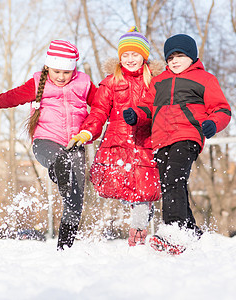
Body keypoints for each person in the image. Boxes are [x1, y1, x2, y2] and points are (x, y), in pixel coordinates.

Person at [0, 40, 97, 250]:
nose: (61, 77)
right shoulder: (37, 83)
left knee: (75, 202)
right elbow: (13, 96)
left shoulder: (84, 83)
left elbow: (101, 106)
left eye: (66, 72)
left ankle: (64, 249)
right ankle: (58, 170)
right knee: (60, 160)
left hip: (75, 144)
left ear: (74, 70)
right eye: (57, 71)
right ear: (47, 67)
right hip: (46, 141)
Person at [123, 34, 231, 254]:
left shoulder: (205, 79)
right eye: (170, 57)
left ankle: (173, 230)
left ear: (192, 57)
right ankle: (192, 231)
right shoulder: (159, 81)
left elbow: (222, 109)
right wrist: (136, 114)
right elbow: (147, 107)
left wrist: (212, 123)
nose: (174, 60)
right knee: (170, 184)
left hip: (187, 135)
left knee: (174, 178)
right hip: (161, 139)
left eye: (180, 55)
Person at [67, 27, 163, 247]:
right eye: (125, 55)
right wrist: (87, 131)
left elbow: (157, 109)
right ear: (120, 58)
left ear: (144, 56)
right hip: (116, 144)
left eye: (135, 54)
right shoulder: (110, 82)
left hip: (144, 144)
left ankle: (138, 233)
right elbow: (99, 111)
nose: (130, 59)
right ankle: (134, 214)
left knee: (143, 193)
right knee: (118, 187)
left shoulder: (154, 83)